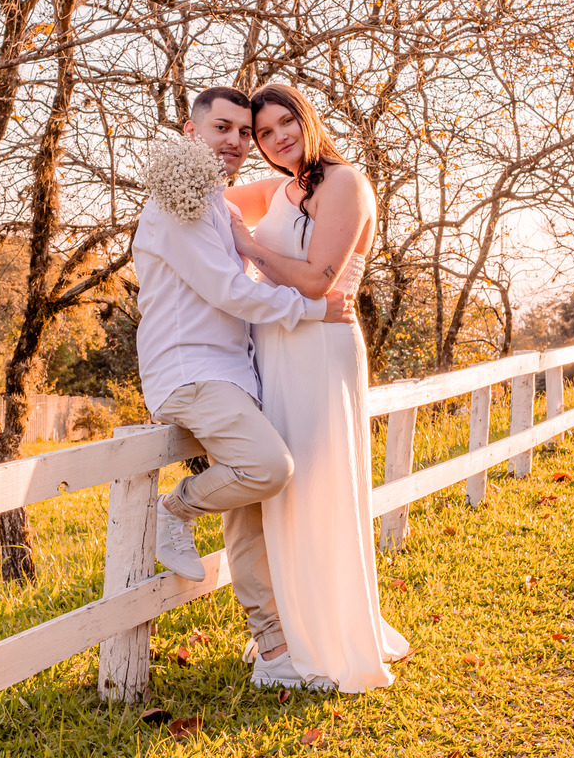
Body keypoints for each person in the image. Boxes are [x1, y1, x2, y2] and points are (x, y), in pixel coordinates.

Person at [132, 86, 355, 689]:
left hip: (233, 370)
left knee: (249, 516)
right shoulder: (179, 203)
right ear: (191, 132)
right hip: (192, 371)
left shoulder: (214, 202)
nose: (235, 141)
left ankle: (274, 653)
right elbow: (228, 291)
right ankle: (173, 510)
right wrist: (314, 310)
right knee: (268, 469)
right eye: (222, 128)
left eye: (242, 133)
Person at [225, 83, 410, 693]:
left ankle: (333, 636)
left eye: (285, 123)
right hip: (273, 352)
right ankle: (291, 628)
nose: (277, 138)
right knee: (286, 491)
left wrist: (248, 246)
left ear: (306, 118)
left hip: (320, 351)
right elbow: (204, 195)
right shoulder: (276, 190)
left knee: (320, 486)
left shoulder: (345, 183)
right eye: (262, 133)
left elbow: (315, 282)